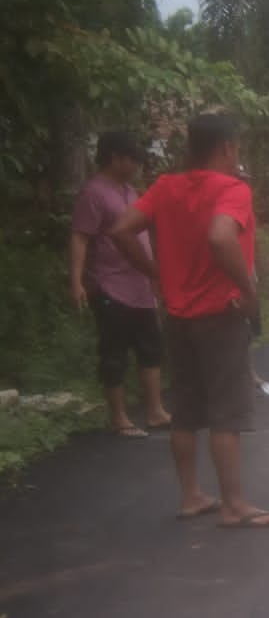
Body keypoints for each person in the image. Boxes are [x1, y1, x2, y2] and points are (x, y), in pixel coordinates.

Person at [108, 112, 269, 527]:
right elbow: (221, 236)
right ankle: (234, 504)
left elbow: (120, 230)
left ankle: (191, 496)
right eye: (236, 146)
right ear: (227, 148)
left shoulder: (166, 187)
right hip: (220, 316)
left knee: (185, 410)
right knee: (226, 413)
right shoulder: (232, 189)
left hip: (178, 315)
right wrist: (247, 290)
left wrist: (155, 274)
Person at [69, 130, 170, 437]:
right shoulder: (94, 192)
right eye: (131, 159)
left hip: (140, 287)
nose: (136, 165)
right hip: (110, 285)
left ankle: (155, 410)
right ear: (115, 157)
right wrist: (76, 281)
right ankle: (120, 418)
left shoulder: (129, 191)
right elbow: (80, 237)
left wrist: (155, 277)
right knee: (114, 352)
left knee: (150, 348)